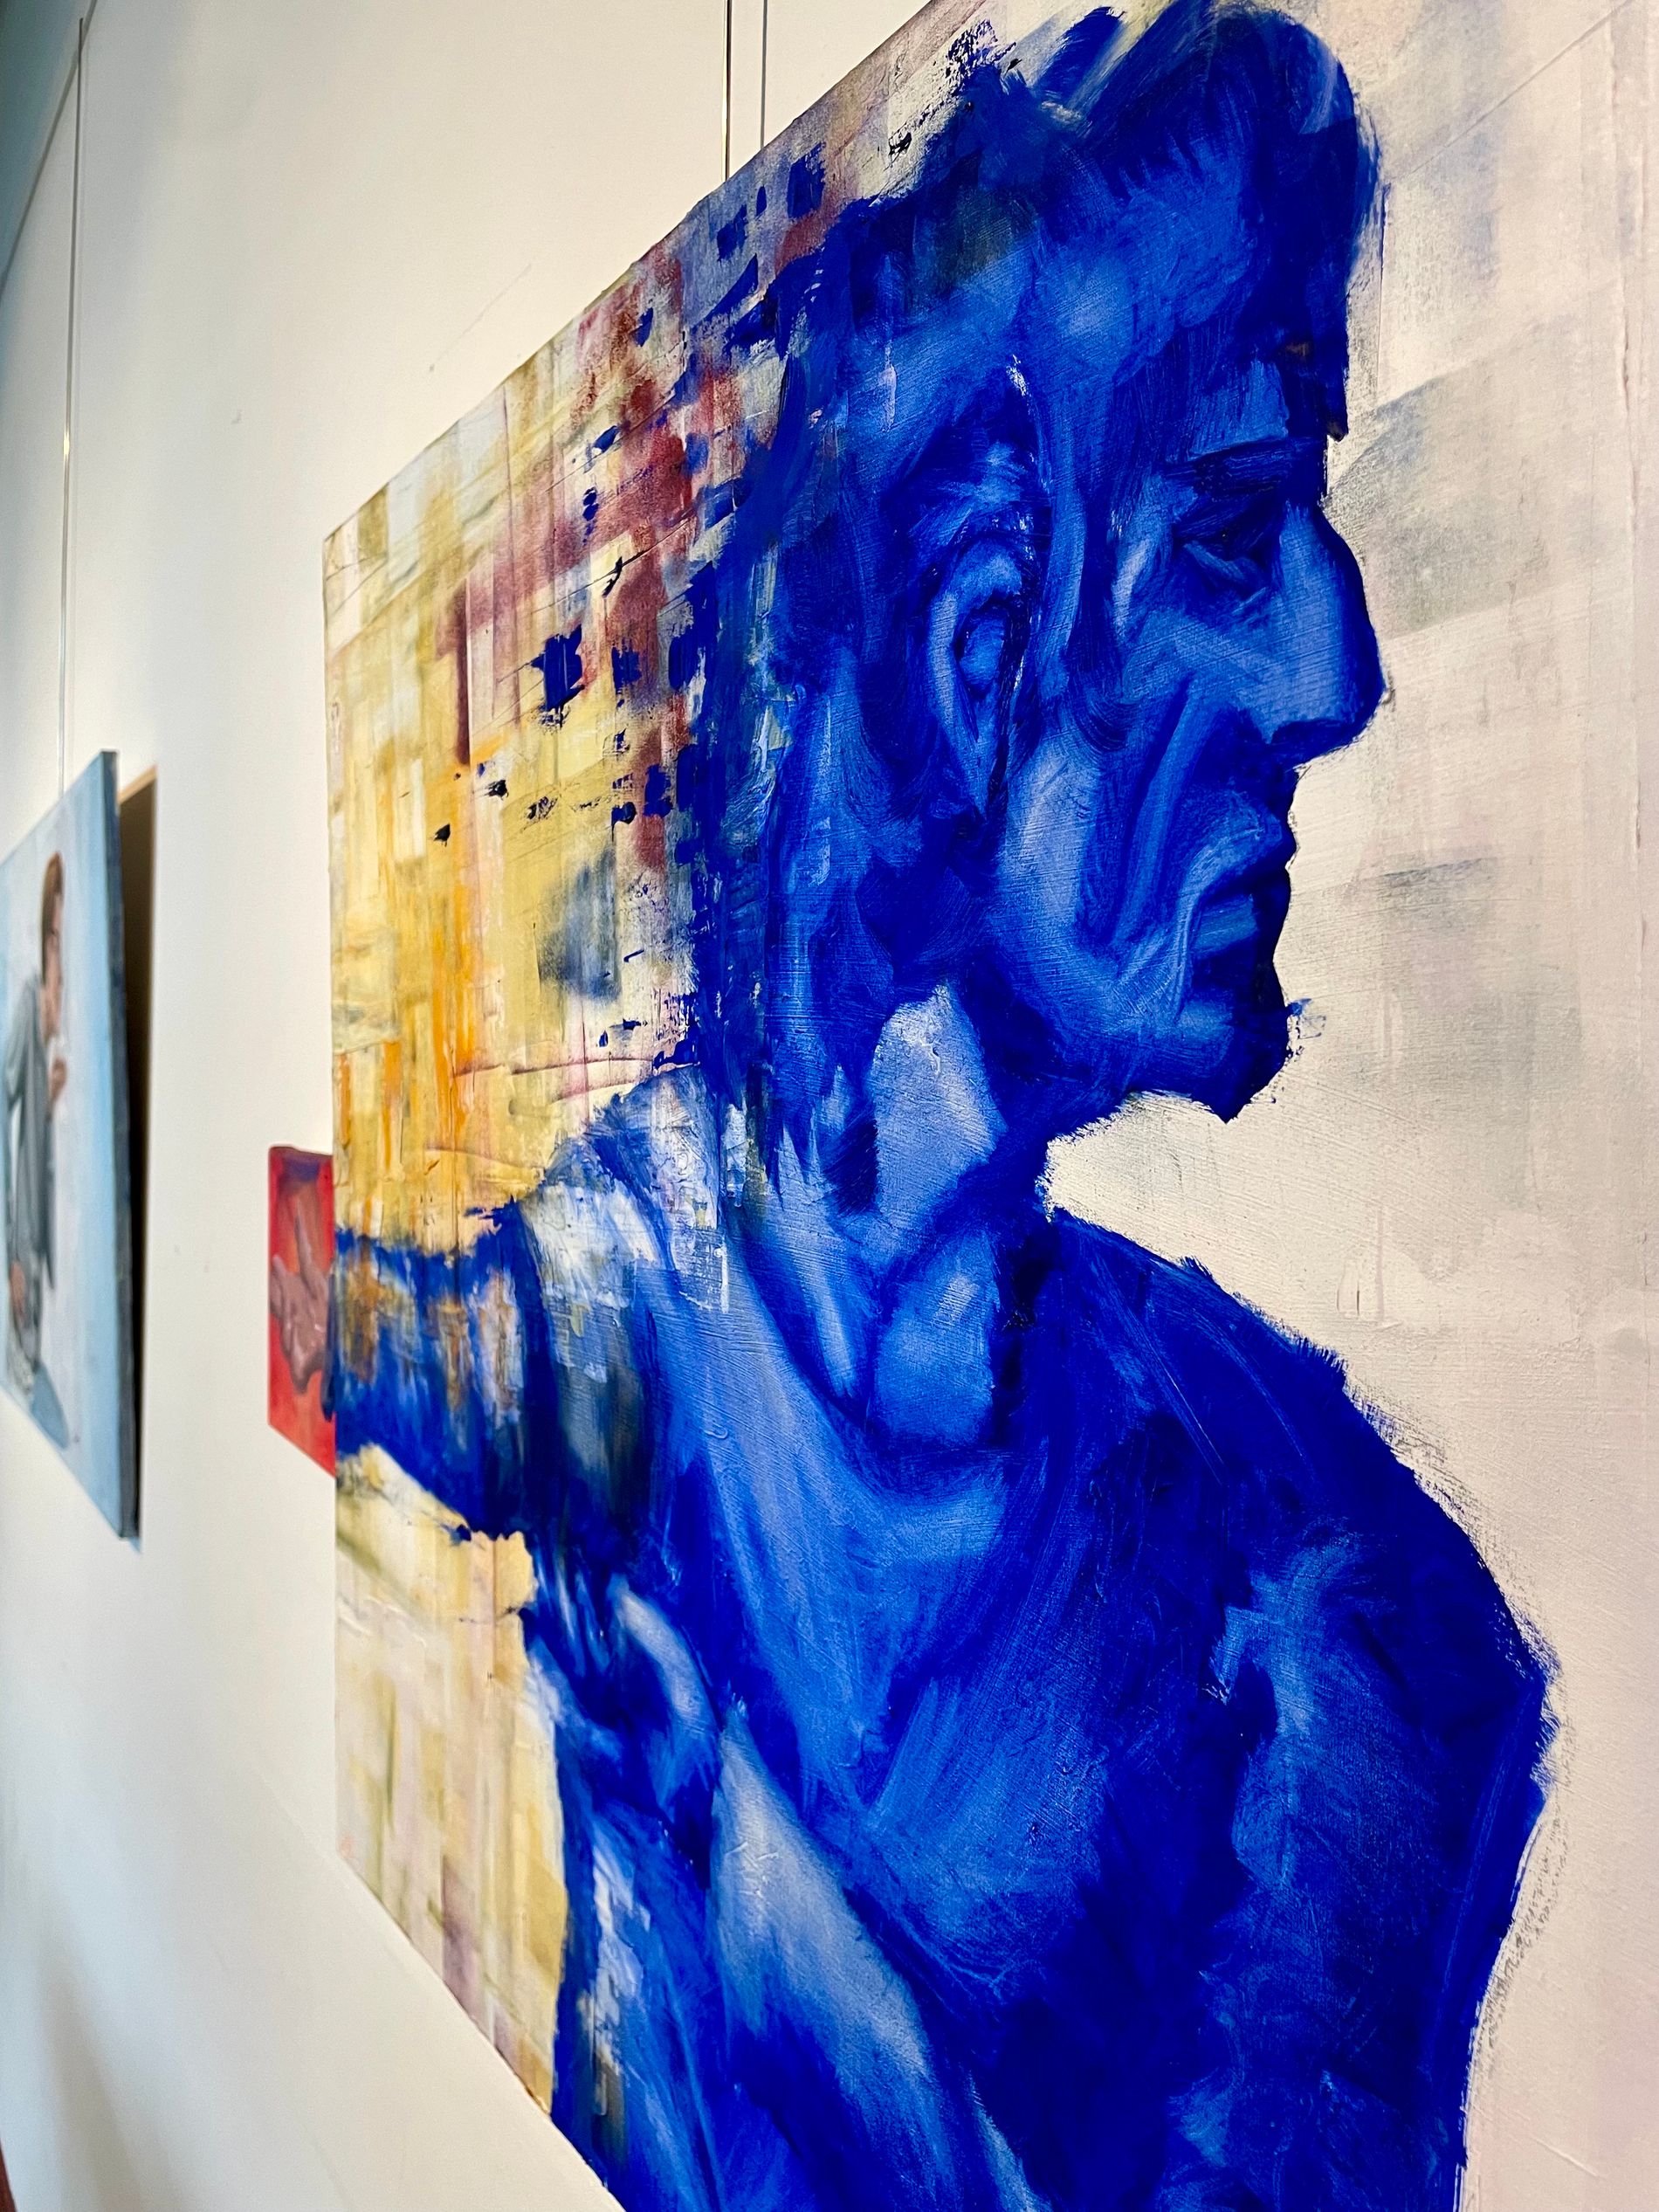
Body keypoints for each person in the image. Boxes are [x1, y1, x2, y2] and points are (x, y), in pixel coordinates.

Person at [337, 7, 1551, 2205]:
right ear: (973, 652)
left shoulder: (1349, 1630)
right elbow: (412, 1349)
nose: (1335, 669)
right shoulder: (653, 1255)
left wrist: (761, 1906)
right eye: (1236, 526)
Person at [4, 850, 69, 1451]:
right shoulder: (29, 1002)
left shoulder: (53, 1007)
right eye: (53, 938)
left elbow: (26, 1112)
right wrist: (12, 1255)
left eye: (63, 942)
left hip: (38, 1220)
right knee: (23, 1352)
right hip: (23, 1222)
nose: (58, 958)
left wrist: (47, 1101)